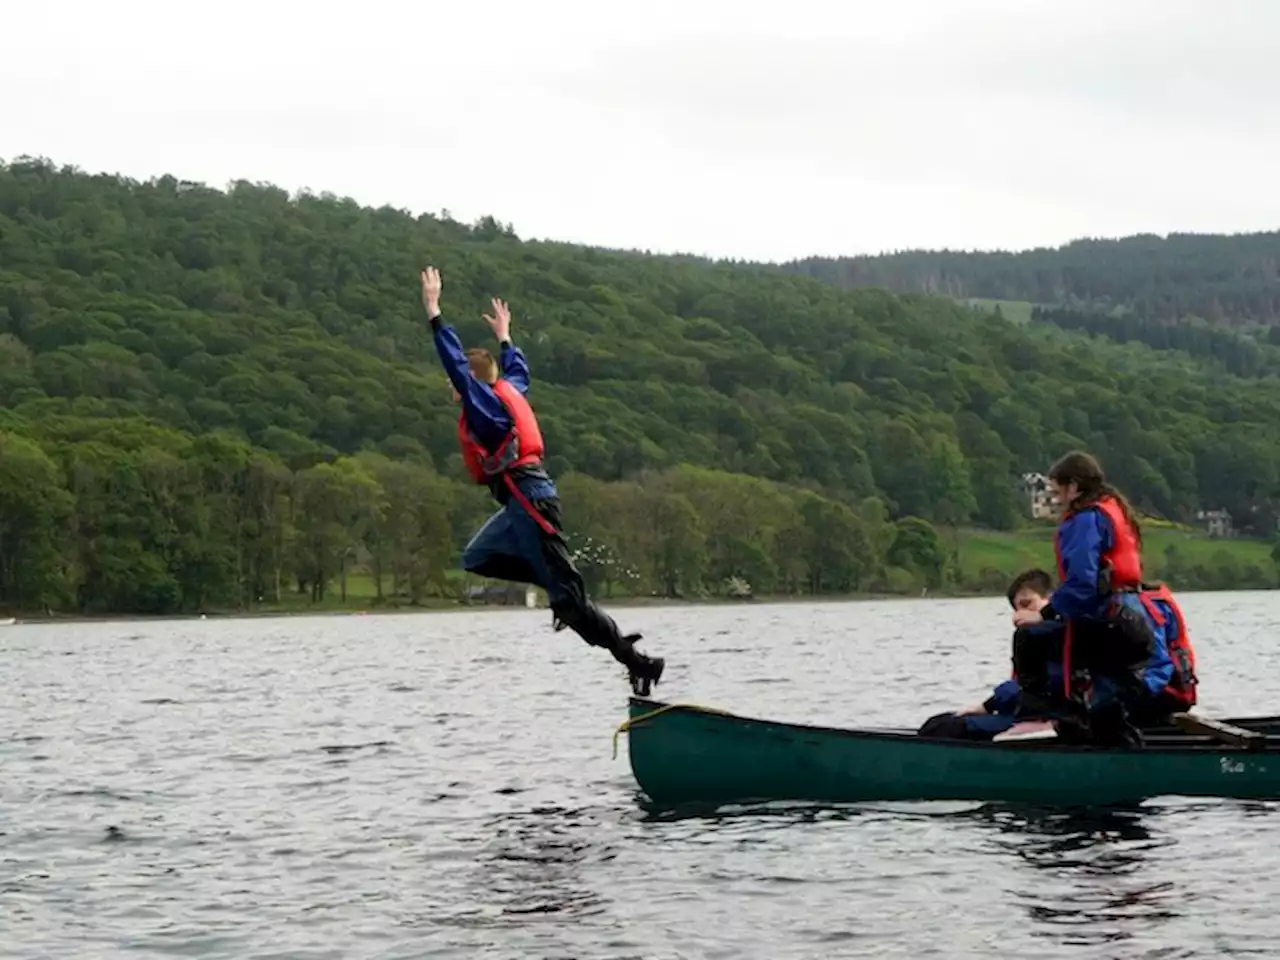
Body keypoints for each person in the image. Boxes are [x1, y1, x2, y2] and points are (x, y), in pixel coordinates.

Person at [419, 266, 666, 695]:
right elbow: (519, 370)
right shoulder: (508, 389)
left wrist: (434, 311)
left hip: (530, 500)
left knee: (570, 603)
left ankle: (638, 662)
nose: (453, 390)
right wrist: (506, 336)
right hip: (517, 504)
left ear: (473, 385)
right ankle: (556, 584)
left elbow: (459, 368)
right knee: (477, 556)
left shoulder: (487, 409)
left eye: (458, 386)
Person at [1011, 450, 1198, 745]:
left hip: (1112, 623)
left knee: (1029, 639)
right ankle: (1100, 729)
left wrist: (1043, 615)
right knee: (1104, 702)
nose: (1057, 498)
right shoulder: (1112, 509)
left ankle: (1049, 711)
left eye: (1058, 490)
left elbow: (1083, 584)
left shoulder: (1085, 520)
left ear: (1073, 487)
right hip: (1127, 621)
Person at [918, 569, 1082, 741]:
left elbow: (1046, 688)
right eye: (1016, 608)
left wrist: (989, 705)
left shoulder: (1057, 636)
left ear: (1050, 599)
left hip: (1048, 717)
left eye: (1027, 604)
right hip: (1022, 712)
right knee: (940, 722)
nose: (1019, 615)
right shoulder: (1037, 638)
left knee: (944, 728)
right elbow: (1023, 687)